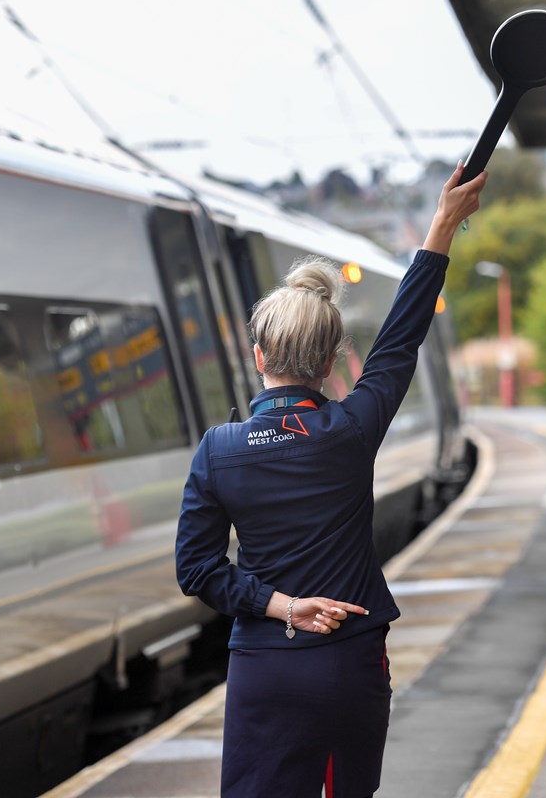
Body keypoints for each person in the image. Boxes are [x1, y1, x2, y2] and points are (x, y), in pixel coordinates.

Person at [175, 163, 486, 798]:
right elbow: (401, 339)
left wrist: (283, 607)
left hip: (265, 662)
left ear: (258, 358)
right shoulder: (350, 429)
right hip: (351, 661)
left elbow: (197, 570)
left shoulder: (219, 450)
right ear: (330, 362)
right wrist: (442, 225)